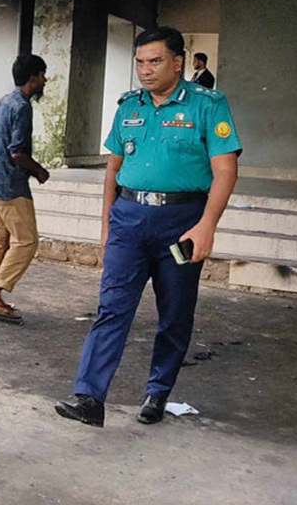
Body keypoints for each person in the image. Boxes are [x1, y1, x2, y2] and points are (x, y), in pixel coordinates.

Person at [55, 26, 241, 428]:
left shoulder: (207, 105)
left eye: (155, 61)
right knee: (112, 307)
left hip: (182, 221)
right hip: (129, 219)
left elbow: (226, 170)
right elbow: (114, 169)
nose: (145, 70)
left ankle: (157, 392)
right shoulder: (129, 106)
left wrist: (208, 224)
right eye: (139, 62)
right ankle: (89, 397)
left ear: (178, 62)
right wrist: (106, 226)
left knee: (174, 313)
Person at [0, 54, 50, 324]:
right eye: (42, 75)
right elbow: (18, 152)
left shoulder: (4, 101)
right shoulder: (21, 106)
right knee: (27, 241)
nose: (45, 80)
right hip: (12, 185)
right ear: (33, 78)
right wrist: (39, 170)